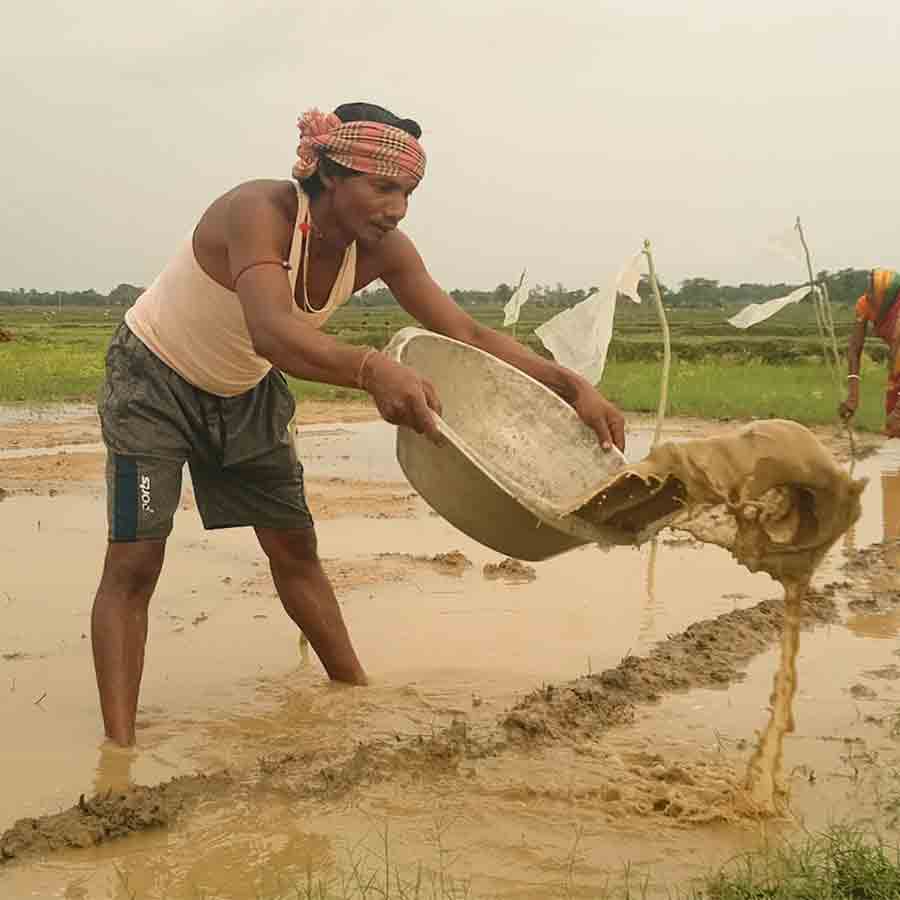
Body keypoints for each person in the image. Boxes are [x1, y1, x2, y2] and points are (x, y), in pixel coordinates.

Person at [92, 102, 626, 746]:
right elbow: (272, 333)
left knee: (295, 549)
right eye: (383, 188)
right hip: (154, 384)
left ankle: (352, 695)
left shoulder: (384, 251)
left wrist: (572, 387)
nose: (397, 209)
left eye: (408, 194)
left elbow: (467, 332)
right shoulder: (257, 211)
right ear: (329, 174)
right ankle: (118, 755)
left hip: (246, 394)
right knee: (136, 558)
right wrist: (372, 369)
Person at [840, 268, 900, 437]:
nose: (868, 295)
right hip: (897, 362)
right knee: (893, 424)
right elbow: (855, 348)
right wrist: (853, 394)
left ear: (887, 296)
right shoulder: (865, 303)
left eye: (872, 291)